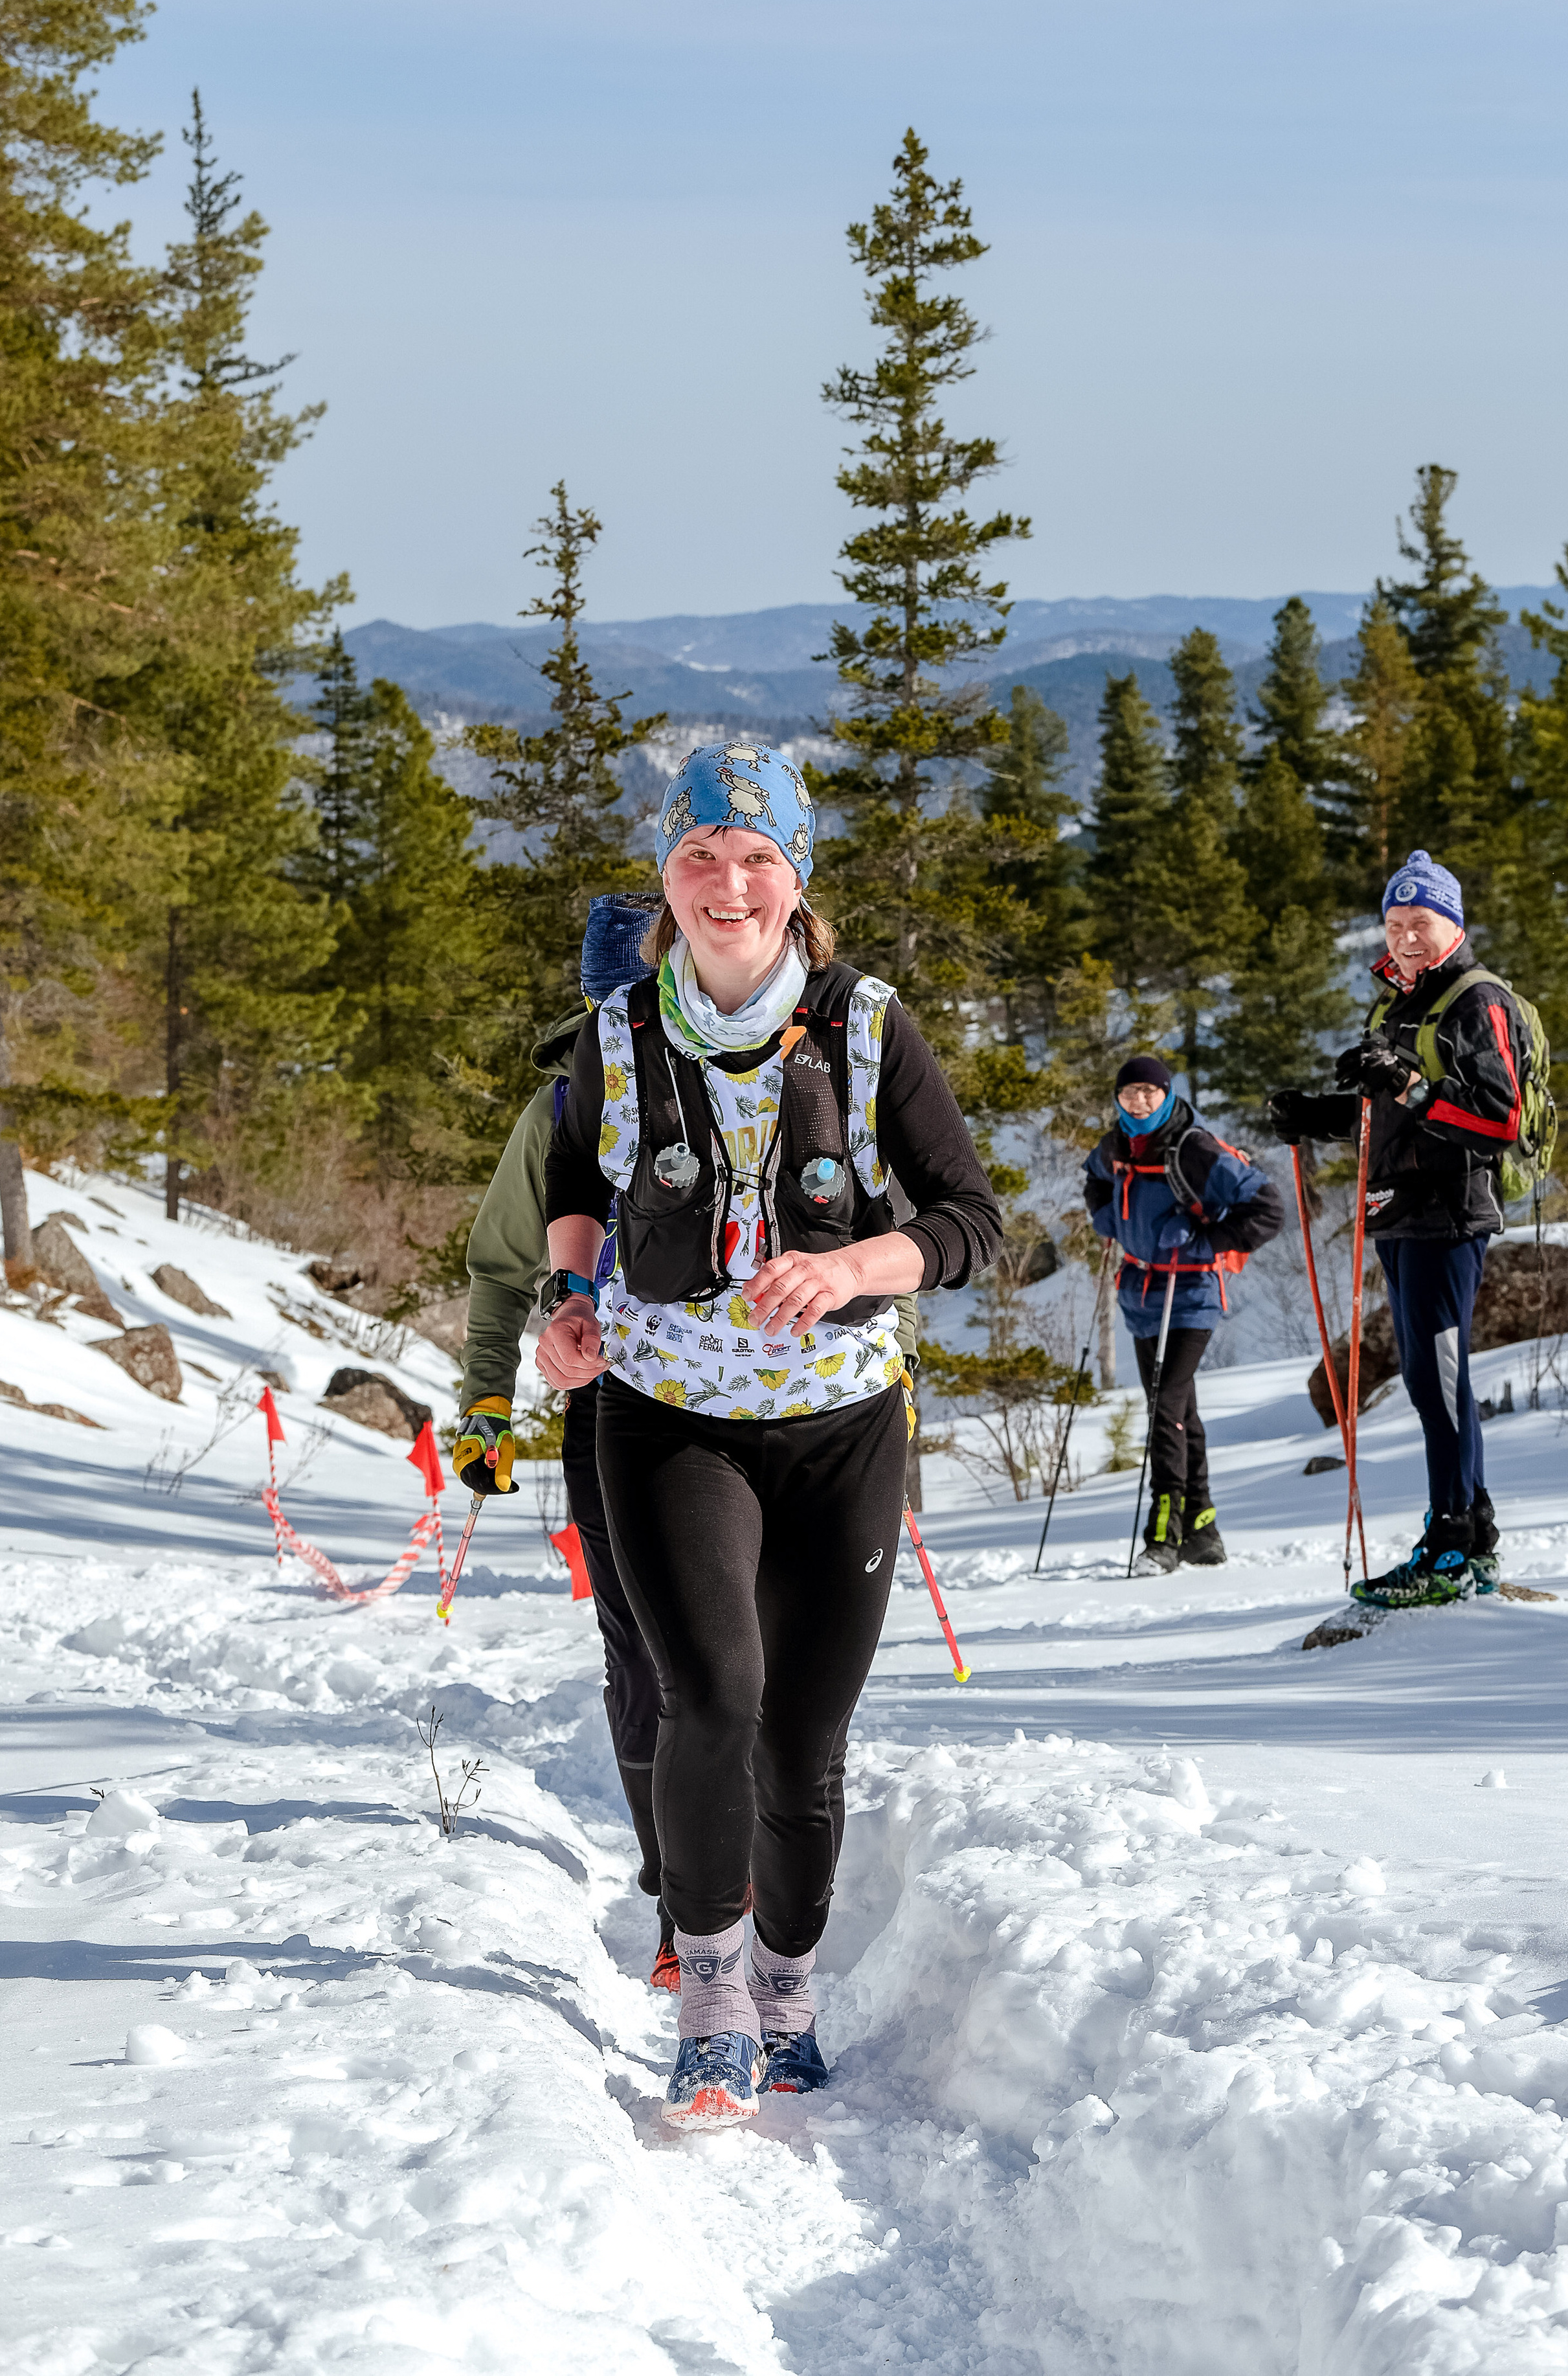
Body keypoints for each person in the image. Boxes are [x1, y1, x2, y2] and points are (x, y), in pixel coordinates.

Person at [537, 740, 1002, 2129]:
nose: (726, 883)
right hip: (668, 1417)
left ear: (796, 879)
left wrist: (853, 1264)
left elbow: (971, 1221)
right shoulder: (619, 1027)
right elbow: (576, 1178)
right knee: (711, 1696)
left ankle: (788, 1991)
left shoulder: (868, 1026)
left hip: (841, 1426)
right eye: (699, 856)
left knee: (801, 1740)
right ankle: (710, 1999)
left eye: (755, 858)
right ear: (666, 876)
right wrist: (570, 1302)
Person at [454, 896, 683, 1986]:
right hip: (608, 1405)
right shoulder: (557, 1113)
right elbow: (499, 1272)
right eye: (615, 1006)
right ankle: (679, 1893)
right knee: (641, 1649)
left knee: (741, 1652)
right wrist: (486, 1410)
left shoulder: (752, 1081)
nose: (633, 1025)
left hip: (754, 1406)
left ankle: (746, 1883)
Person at [1269, 850, 1530, 1609]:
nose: (1407, 937)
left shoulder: (1476, 1000)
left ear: (1453, 924)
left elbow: (1498, 1118)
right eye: (1394, 924)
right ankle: (1469, 1531)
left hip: (1449, 1210)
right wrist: (1316, 1114)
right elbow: (1381, 1115)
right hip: (1397, 1208)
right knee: (1424, 1377)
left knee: (1438, 1380)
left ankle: (1453, 1542)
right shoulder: (1397, 1003)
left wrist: (1408, 1085)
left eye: (1421, 922)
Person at [1084, 1055, 1284, 1572]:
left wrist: (1205, 1241)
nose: (1139, 1101)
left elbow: (1268, 1207)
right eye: (1129, 1092)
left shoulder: (1193, 1148)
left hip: (1191, 1292)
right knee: (1180, 1411)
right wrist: (1106, 1216)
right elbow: (1095, 1177)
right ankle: (1203, 1529)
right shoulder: (1117, 1144)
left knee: (1165, 1406)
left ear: (1167, 1094)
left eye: (1149, 1091)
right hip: (1141, 1294)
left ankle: (1164, 1534)